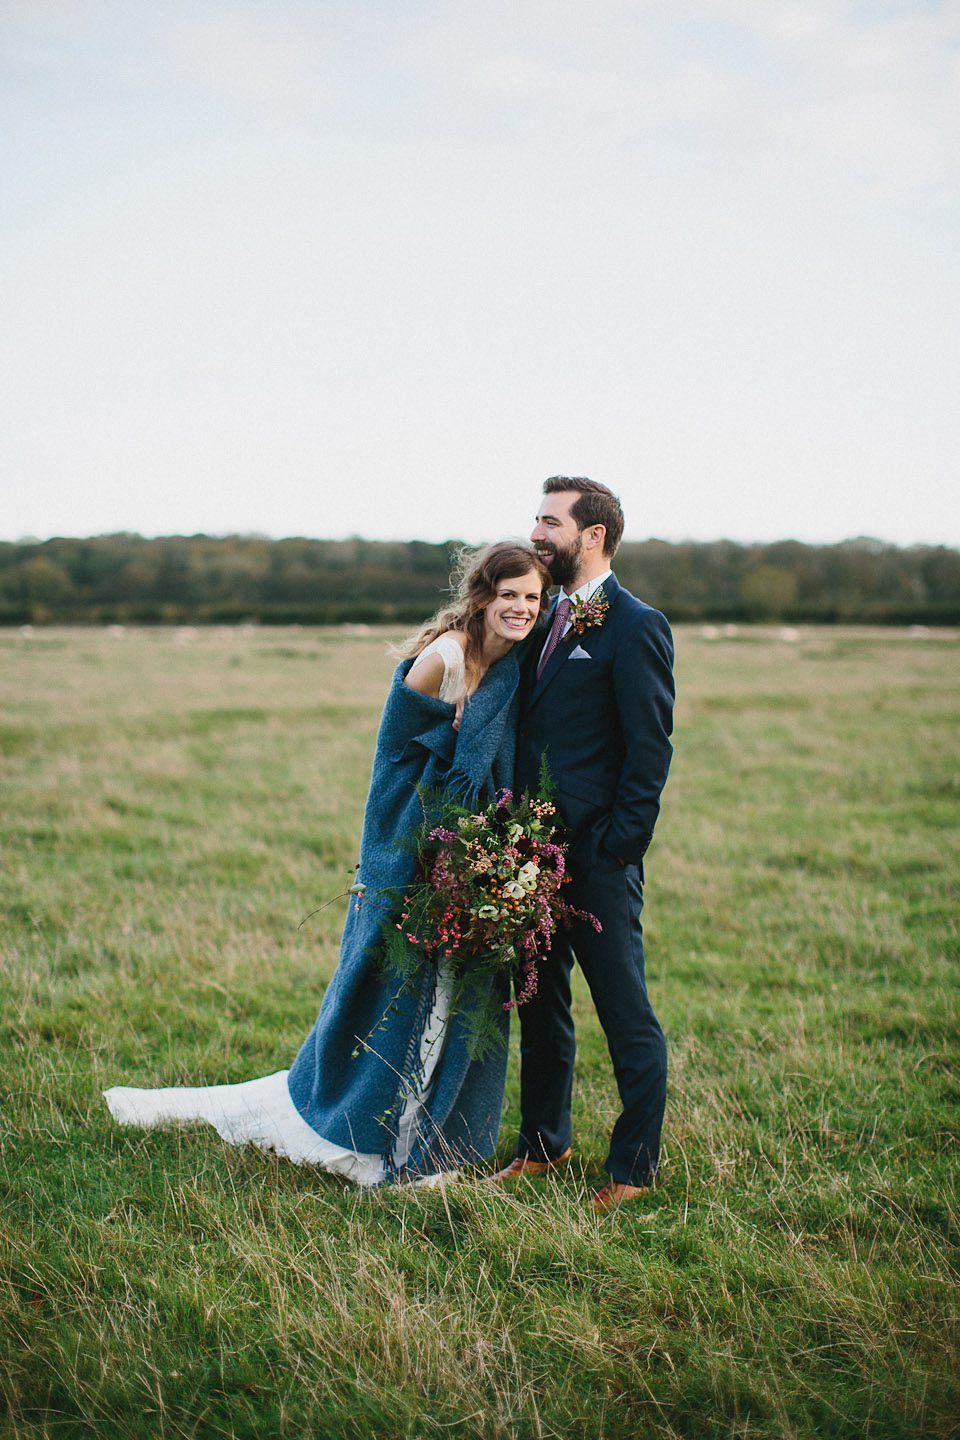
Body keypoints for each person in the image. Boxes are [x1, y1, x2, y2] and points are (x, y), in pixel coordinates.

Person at [104, 541, 550, 1187]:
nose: (520, 607)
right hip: (417, 856)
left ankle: (431, 1134)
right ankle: (373, 1142)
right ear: (483, 597)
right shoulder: (444, 658)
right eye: (508, 594)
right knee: (403, 995)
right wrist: (429, 840)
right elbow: (395, 763)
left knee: (454, 998)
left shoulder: (514, 663)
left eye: (532, 597)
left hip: (474, 857)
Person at [490, 478, 675, 1211]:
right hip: (526, 855)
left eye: (549, 521)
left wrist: (617, 847)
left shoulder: (635, 625)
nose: (536, 532)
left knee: (624, 1008)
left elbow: (648, 748)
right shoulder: (537, 616)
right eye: (536, 517)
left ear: (591, 535)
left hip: (596, 858)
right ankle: (544, 1143)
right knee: (539, 1003)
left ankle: (634, 1166)